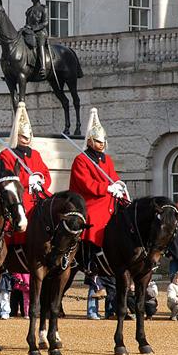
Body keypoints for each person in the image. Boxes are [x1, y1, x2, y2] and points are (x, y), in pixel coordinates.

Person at [69, 108, 126, 289]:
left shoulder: (106, 159)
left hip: (107, 198)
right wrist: (106, 188)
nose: (101, 145)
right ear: (90, 141)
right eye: (98, 142)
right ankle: (90, 257)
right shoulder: (81, 160)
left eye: (103, 142)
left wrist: (118, 185)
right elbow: (86, 183)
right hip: (89, 200)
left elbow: (113, 176)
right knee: (94, 217)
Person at [0, 101, 51, 247]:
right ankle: (18, 247)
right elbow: (7, 180)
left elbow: (46, 173)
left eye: (28, 136)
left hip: (39, 194)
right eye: (23, 136)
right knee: (23, 212)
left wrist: (41, 180)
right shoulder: (7, 155)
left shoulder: (35, 154)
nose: (26, 139)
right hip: (20, 195)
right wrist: (28, 181)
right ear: (17, 135)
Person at [24, 0, 49, 78]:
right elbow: (27, 23)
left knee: (40, 44)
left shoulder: (43, 8)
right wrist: (25, 28)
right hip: (30, 32)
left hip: (40, 32)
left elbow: (45, 22)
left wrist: (33, 28)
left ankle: (43, 67)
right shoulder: (29, 10)